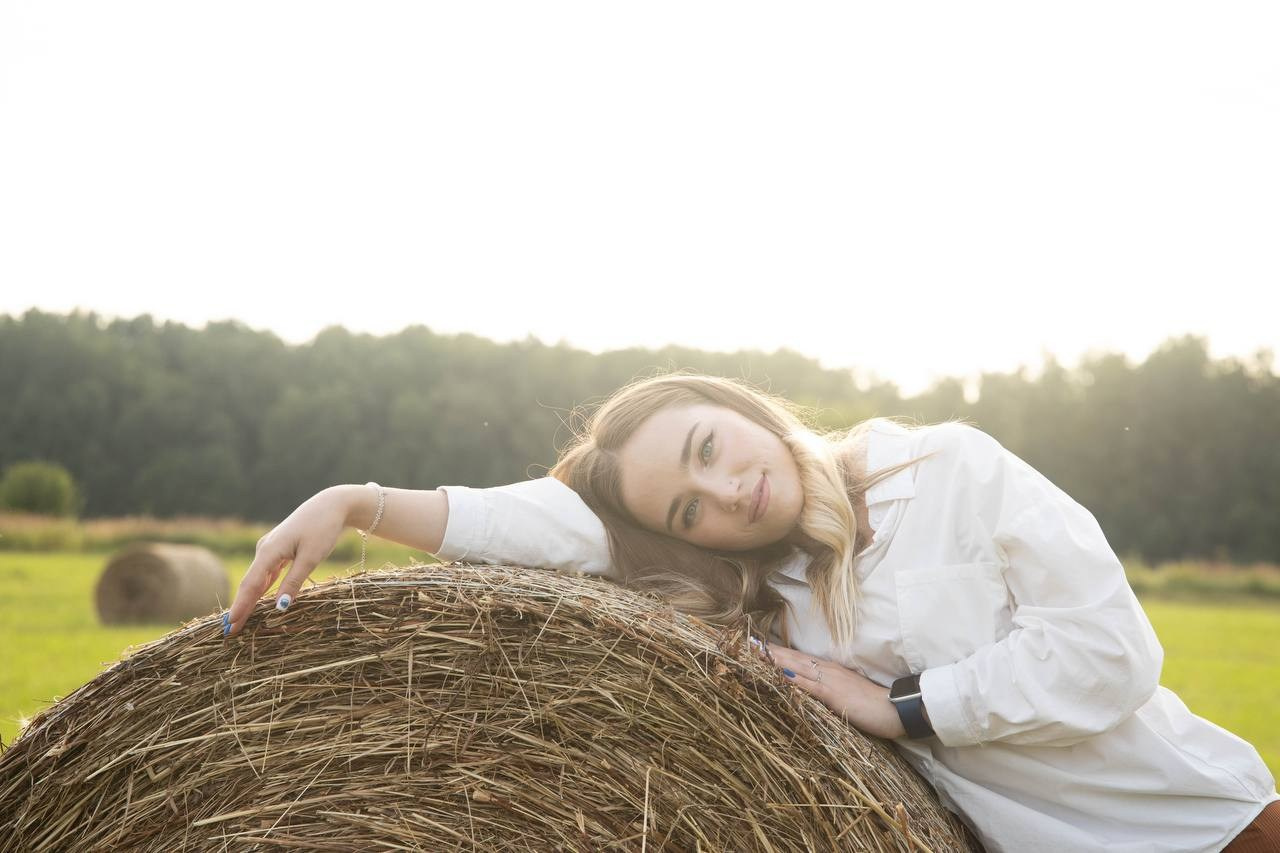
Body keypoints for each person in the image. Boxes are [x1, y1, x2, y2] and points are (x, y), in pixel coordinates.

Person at [224, 371, 1279, 852]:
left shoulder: (951, 467)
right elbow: (536, 524)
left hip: (1201, 825)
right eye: (689, 507)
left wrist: (898, 707)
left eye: (707, 448)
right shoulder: (756, 596)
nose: (727, 491)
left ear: (736, 407)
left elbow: (1107, 656)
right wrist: (356, 501)